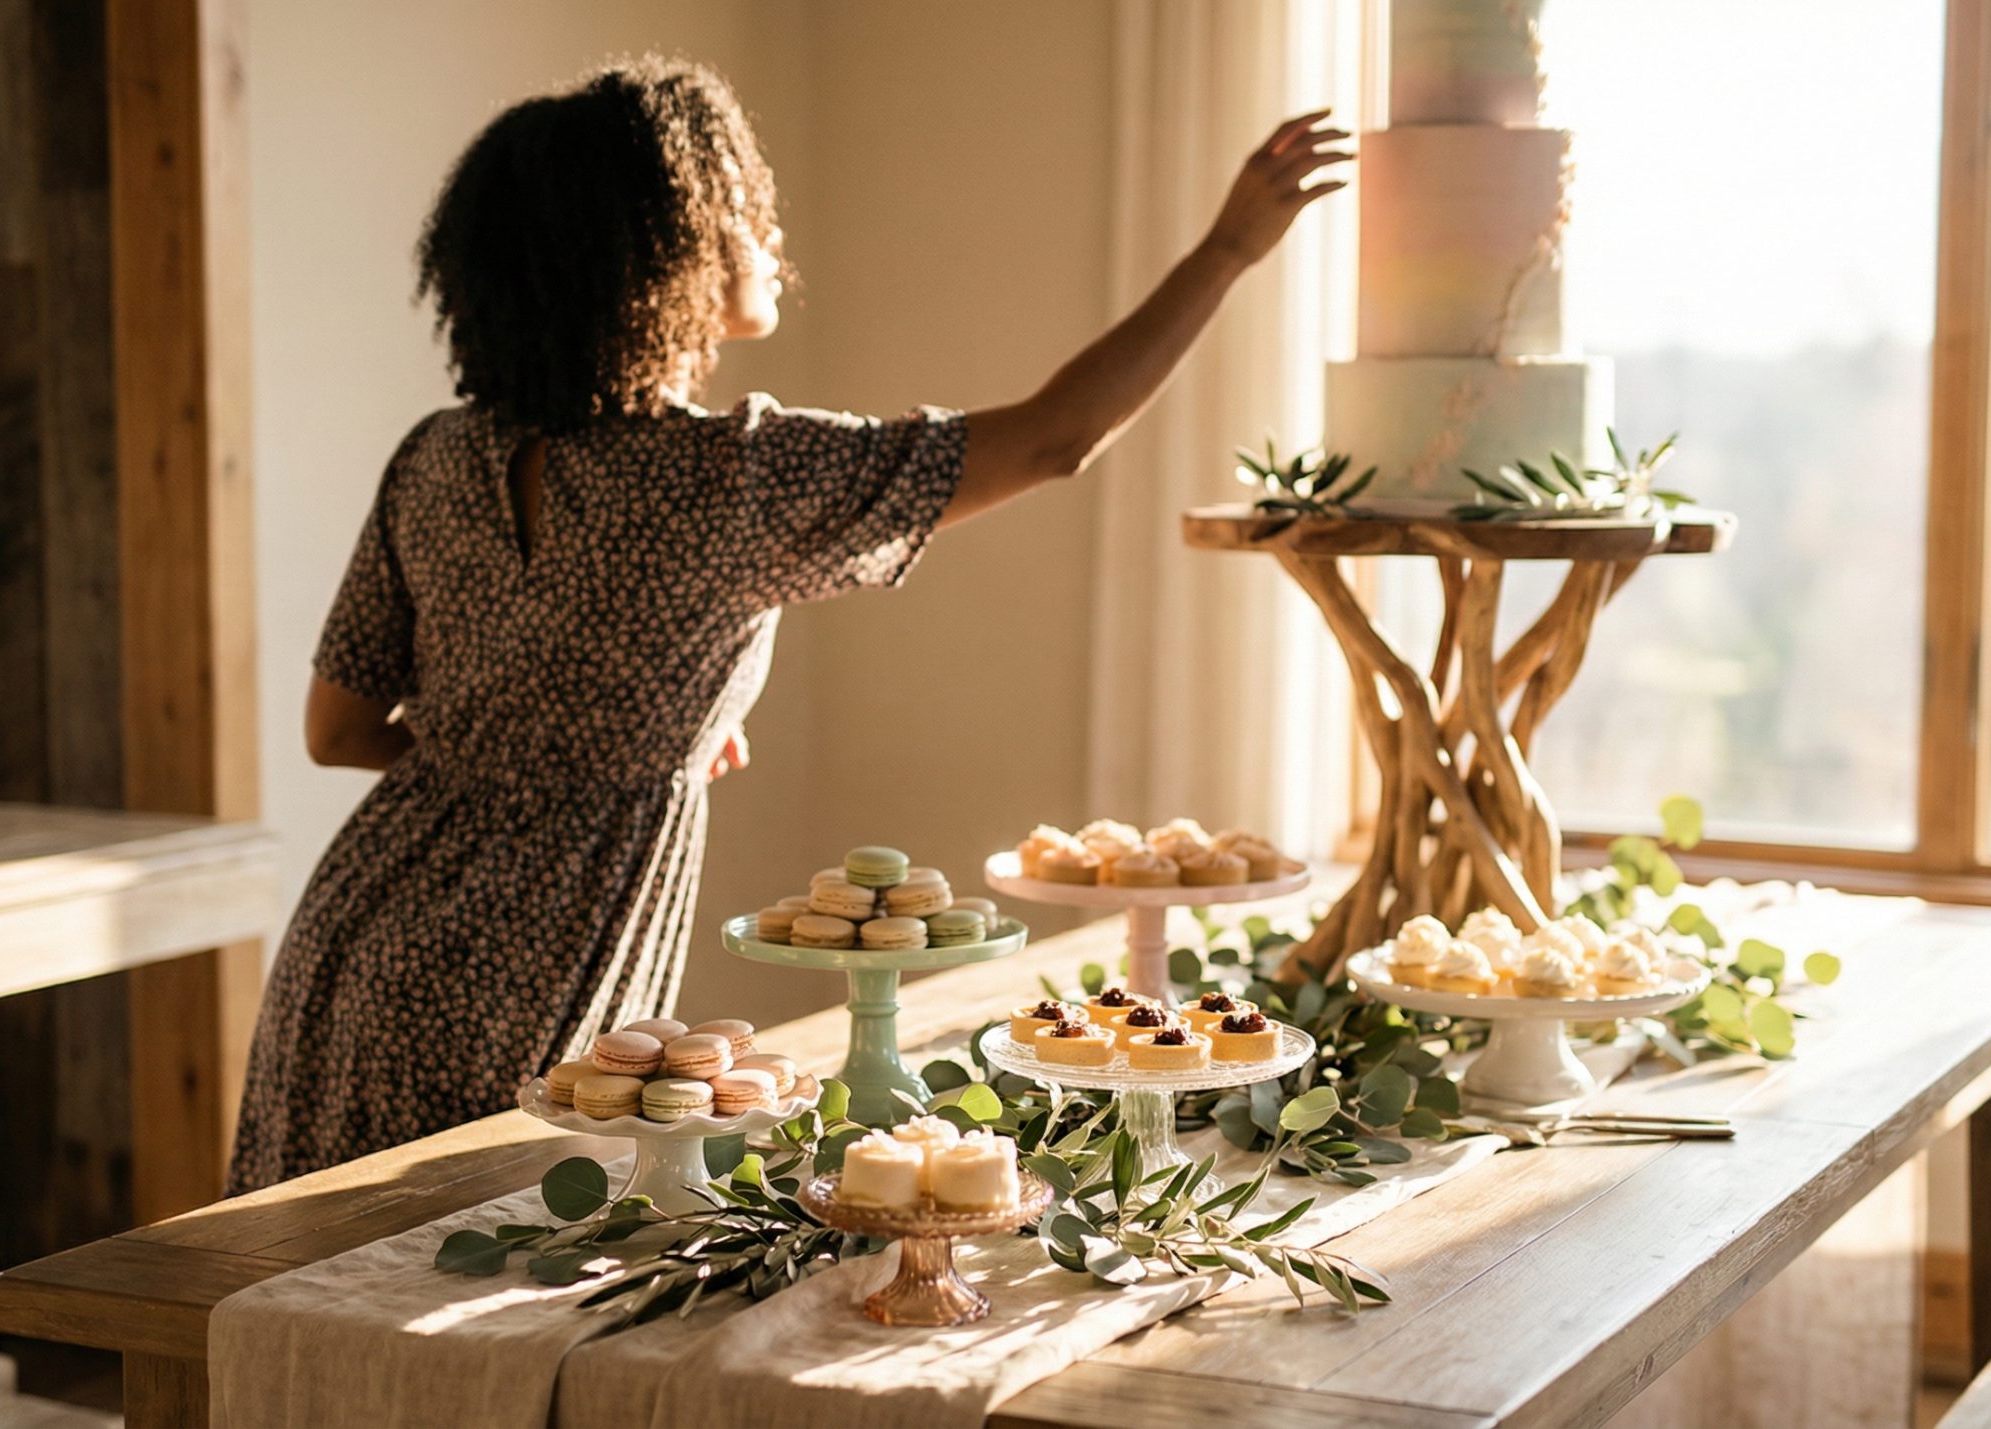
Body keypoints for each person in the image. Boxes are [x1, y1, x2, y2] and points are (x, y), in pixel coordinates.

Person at [227, 54, 1350, 1193]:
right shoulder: (734, 477)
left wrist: (579, 742)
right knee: (474, 1299)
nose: (769, 242)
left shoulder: (433, 456)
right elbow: (1054, 437)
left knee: (292, 1302)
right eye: (745, 215)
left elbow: (340, 727)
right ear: (667, 254)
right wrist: (1228, 250)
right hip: (524, 976)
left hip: (351, 950)